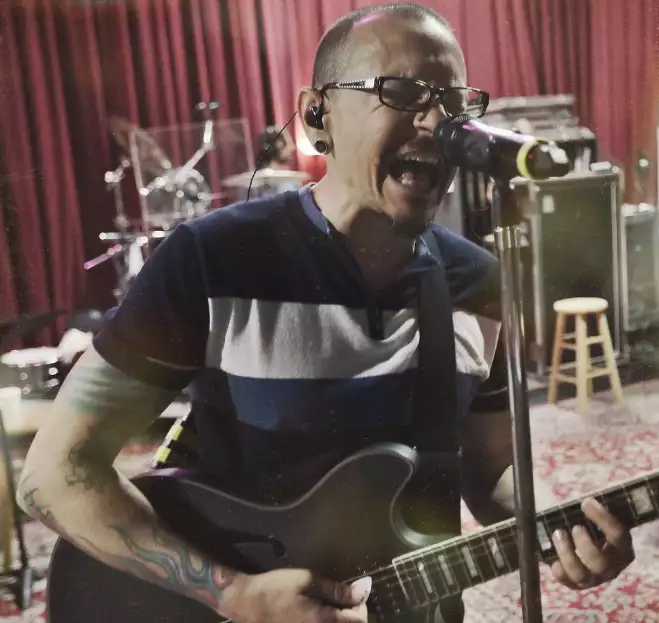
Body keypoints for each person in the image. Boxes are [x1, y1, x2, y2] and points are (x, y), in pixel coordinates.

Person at [17, 4, 634, 623]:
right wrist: (230, 594)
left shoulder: (477, 282)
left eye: (452, 102)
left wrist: (559, 525)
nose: (435, 121)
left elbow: (491, 466)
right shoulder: (214, 259)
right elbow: (53, 474)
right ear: (318, 115)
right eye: (402, 92)